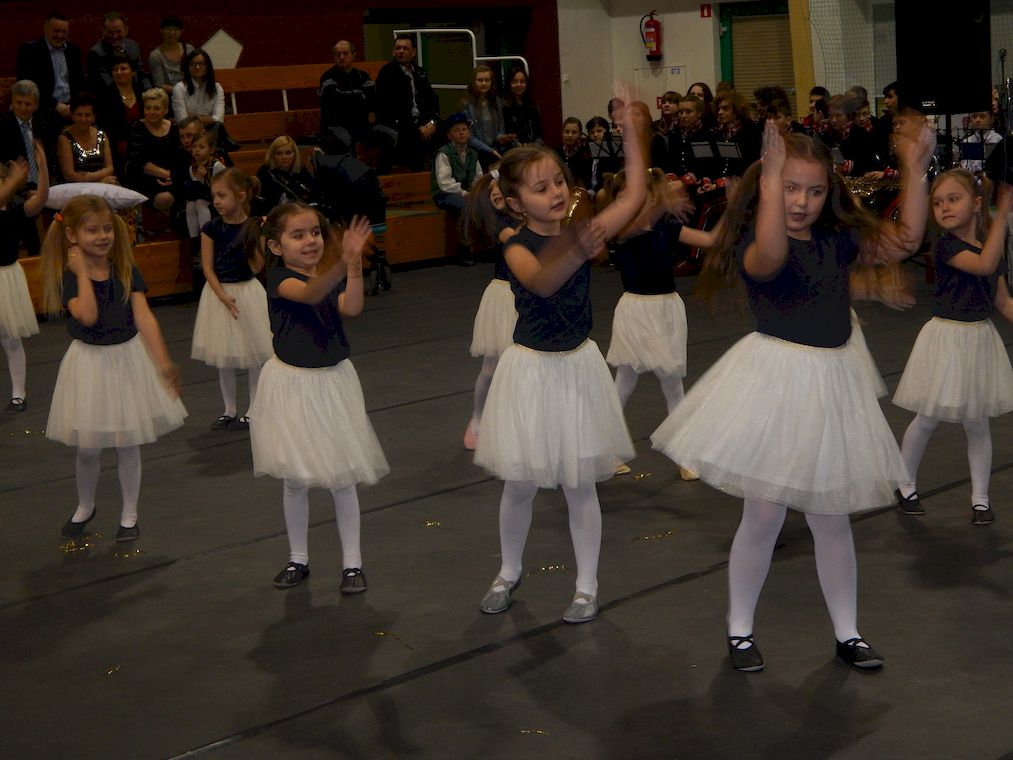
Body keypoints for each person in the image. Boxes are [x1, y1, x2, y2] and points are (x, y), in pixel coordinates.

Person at [651, 120, 936, 672]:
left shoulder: (837, 240)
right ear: (768, 188)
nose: (802, 201)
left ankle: (848, 632)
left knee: (831, 518)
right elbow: (774, 251)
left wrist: (915, 170)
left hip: (832, 385)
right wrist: (772, 175)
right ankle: (740, 629)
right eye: (790, 188)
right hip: (778, 386)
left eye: (815, 190)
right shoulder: (757, 248)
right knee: (763, 516)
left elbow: (905, 240)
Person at [472, 89, 648, 624]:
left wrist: (631, 133)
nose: (555, 192)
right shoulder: (515, 245)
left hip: (577, 367)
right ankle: (508, 571)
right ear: (514, 201)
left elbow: (634, 195)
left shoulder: (578, 231)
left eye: (559, 182)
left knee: (580, 484)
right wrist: (581, 244)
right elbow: (544, 282)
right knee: (520, 483)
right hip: (530, 370)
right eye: (540, 187)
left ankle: (586, 586)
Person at [250, 204, 389, 591]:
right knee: (295, 478)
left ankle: (352, 564)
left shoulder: (325, 276)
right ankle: (298, 557)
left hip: (332, 383)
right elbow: (312, 295)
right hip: (293, 386)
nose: (310, 241)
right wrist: (343, 261)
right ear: (276, 246)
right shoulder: (279, 279)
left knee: (341, 476)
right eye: (298, 235)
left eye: (315, 232)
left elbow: (352, 307)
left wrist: (354, 265)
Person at [41, 194, 186, 541]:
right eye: (93, 230)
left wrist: (163, 361)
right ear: (73, 235)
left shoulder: (125, 269)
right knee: (88, 447)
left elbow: (144, 317)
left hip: (126, 360)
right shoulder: (70, 276)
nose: (103, 236)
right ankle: (85, 505)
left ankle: (129, 515)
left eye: (107, 228)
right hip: (89, 365)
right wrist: (82, 273)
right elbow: (88, 316)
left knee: (128, 441)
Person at [893, 170, 1013, 525]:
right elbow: (983, 265)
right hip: (946, 340)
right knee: (927, 417)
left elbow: (1003, 301)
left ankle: (981, 499)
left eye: (953, 199)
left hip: (979, 340)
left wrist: (997, 225)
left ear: (976, 204)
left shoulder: (992, 248)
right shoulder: (946, 246)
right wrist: (1002, 216)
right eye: (938, 202)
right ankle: (904, 484)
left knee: (977, 423)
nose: (944, 207)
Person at [598, 168, 716, 451]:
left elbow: (711, 240)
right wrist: (665, 197)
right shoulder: (621, 229)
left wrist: (736, 205)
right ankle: (605, 446)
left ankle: (682, 450)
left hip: (667, 308)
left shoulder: (666, 225)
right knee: (624, 382)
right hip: (635, 311)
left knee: (672, 383)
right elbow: (644, 222)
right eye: (627, 196)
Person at [192, 168, 272, 430]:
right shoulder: (211, 228)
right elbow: (207, 268)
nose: (216, 201)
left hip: (247, 292)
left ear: (241, 196)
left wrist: (259, 236)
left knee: (254, 353)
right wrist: (222, 296)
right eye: (214, 195)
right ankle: (229, 409)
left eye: (222, 195)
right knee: (223, 355)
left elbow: (257, 266)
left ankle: (253, 408)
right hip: (219, 294)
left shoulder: (254, 225)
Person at [461, 171, 521, 450]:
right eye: (491, 195)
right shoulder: (499, 224)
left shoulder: (524, 216)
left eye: (499, 190)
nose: (496, 195)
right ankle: (477, 418)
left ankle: (514, 423)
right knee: (491, 367)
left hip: (527, 295)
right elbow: (516, 241)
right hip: (503, 297)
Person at [0, 143, 48, 412]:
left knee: (11, 339)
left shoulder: (14, 212)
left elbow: (40, 200)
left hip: (7, 278)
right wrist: (15, 180)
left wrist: (42, 170)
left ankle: (18, 393)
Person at [15, 12, 86, 156]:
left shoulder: (73, 50)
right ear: (45, 29)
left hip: (71, 108)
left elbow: (80, 82)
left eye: (64, 32)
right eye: (56, 31)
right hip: (43, 109)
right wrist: (55, 105)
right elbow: (28, 86)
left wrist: (75, 105)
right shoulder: (30, 50)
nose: (60, 35)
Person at [374, 34, 441, 173]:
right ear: (393, 51)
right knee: (414, 137)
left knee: (450, 129)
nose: (401, 51)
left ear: (413, 52)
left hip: (423, 121)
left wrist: (432, 122)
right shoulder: (387, 73)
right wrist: (418, 127)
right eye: (398, 48)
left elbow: (432, 101)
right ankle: (417, 176)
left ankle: (443, 175)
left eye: (405, 48)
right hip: (398, 123)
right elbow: (391, 108)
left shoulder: (420, 72)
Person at [0, 80, 46, 254]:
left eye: (28, 104)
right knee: (26, 222)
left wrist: (42, 187)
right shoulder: (3, 125)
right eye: (18, 103)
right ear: (12, 102)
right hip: (15, 190)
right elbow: (5, 169)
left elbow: (48, 160)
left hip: (42, 184)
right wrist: (25, 190)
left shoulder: (42, 124)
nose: (23, 108)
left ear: (36, 105)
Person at [318, 40, 375, 153]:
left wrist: (346, 97)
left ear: (353, 55)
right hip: (335, 126)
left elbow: (373, 100)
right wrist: (360, 96)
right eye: (338, 54)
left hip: (361, 125)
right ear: (333, 57)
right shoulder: (327, 77)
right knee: (345, 139)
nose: (342, 57)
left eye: (345, 53)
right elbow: (335, 103)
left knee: (388, 134)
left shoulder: (363, 76)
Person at [126, 88, 178, 212]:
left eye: (157, 108)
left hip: (172, 178)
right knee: (165, 198)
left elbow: (180, 158)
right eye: (148, 108)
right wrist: (167, 175)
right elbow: (139, 162)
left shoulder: (175, 128)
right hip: (144, 178)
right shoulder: (136, 127)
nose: (151, 112)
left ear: (166, 110)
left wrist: (173, 176)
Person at [177, 130, 226, 259]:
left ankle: (206, 236)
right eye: (194, 147)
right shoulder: (192, 168)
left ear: (211, 149)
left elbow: (220, 188)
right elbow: (193, 191)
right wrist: (198, 179)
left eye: (201, 147)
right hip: (203, 197)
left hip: (218, 198)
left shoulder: (216, 165)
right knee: (190, 205)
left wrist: (202, 180)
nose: (197, 150)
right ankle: (194, 241)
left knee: (199, 203)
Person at [97, 54, 144, 179]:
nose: (118, 72)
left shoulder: (141, 91)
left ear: (133, 72)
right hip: (116, 148)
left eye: (123, 68)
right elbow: (104, 127)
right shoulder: (105, 95)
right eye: (114, 69)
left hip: (142, 143)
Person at [58, 92, 116, 185]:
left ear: (94, 117)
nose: (83, 119)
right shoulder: (64, 138)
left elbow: (110, 168)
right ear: (72, 116)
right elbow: (69, 175)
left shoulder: (102, 135)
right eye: (79, 114)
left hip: (103, 184)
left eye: (88, 115)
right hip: (75, 187)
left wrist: (86, 176)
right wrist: (99, 180)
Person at [459, 65, 511, 166]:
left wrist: (501, 138)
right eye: (480, 80)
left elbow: (501, 128)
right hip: (475, 152)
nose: (484, 83)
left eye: (487, 80)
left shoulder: (496, 101)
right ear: (474, 82)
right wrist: (489, 150)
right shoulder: (466, 105)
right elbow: (468, 136)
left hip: (496, 148)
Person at [431, 113, 482, 213]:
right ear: (449, 135)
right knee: (464, 204)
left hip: (466, 192)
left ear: (469, 133)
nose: (461, 133)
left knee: (485, 202)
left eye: (464, 129)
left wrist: (474, 192)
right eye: (456, 130)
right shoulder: (444, 153)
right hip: (445, 194)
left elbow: (478, 177)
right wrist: (464, 193)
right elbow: (445, 183)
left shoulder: (473, 153)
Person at [255, 135, 317, 216]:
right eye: (279, 153)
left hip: (299, 213)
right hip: (274, 215)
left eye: (288, 153)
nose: (284, 157)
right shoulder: (265, 172)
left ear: (295, 154)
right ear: (273, 156)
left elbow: (313, 192)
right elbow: (263, 203)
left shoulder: (300, 169)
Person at [87, 11, 147, 94]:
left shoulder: (133, 46)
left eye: (118, 31)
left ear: (126, 30)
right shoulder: (95, 53)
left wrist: (149, 91)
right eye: (110, 32)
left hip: (135, 93)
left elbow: (140, 74)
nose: (115, 36)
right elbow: (105, 85)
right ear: (103, 30)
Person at [172, 49, 225, 128]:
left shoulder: (216, 87)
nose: (197, 67)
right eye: (192, 64)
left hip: (211, 132)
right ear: (187, 67)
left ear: (208, 66)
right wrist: (209, 118)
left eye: (201, 63)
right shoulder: (180, 88)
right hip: (188, 132)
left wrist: (195, 117)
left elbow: (219, 120)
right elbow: (181, 121)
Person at [148, 17, 194, 102]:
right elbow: (160, 85)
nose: (172, 33)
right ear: (161, 30)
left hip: (191, 92)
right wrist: (182, 92)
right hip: (168, 97)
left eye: (175, 29)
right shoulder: (156, 56)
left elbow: (196, 75)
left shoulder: (189, 50)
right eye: (168, 29)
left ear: (181, 31)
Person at [501, 67, 543, 149]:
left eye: (522, 81)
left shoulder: (532, 105)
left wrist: (533, 145)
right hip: (512, 149)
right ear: (509, 84)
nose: (519, 85)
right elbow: (505, 133)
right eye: (514, 82)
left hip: (533, 148)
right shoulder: (503, 106)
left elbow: (539, 132)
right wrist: (519, 146)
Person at [585, 115, 622, 195]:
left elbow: (609, 178)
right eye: (592, 132)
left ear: (607, 131)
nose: (595, 134)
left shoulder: (613, 150)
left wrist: (595, 191)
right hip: (589, 189)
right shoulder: (586, 149)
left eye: (599, 131)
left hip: (604, 190)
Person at [555, 116, 591, 189]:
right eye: (567, 132)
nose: (570, 135)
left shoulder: (586, 152)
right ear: (562, 133)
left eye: (574, 132)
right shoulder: (556, 152)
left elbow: (586, 181)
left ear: (580, 134)